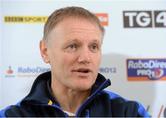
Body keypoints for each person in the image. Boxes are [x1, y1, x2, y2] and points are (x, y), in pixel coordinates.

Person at [0, 6, 149, 117]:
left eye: (94, 47)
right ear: (45, 51)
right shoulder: (13, 115)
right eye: (72, 46)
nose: (85, 58)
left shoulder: (129, 112)